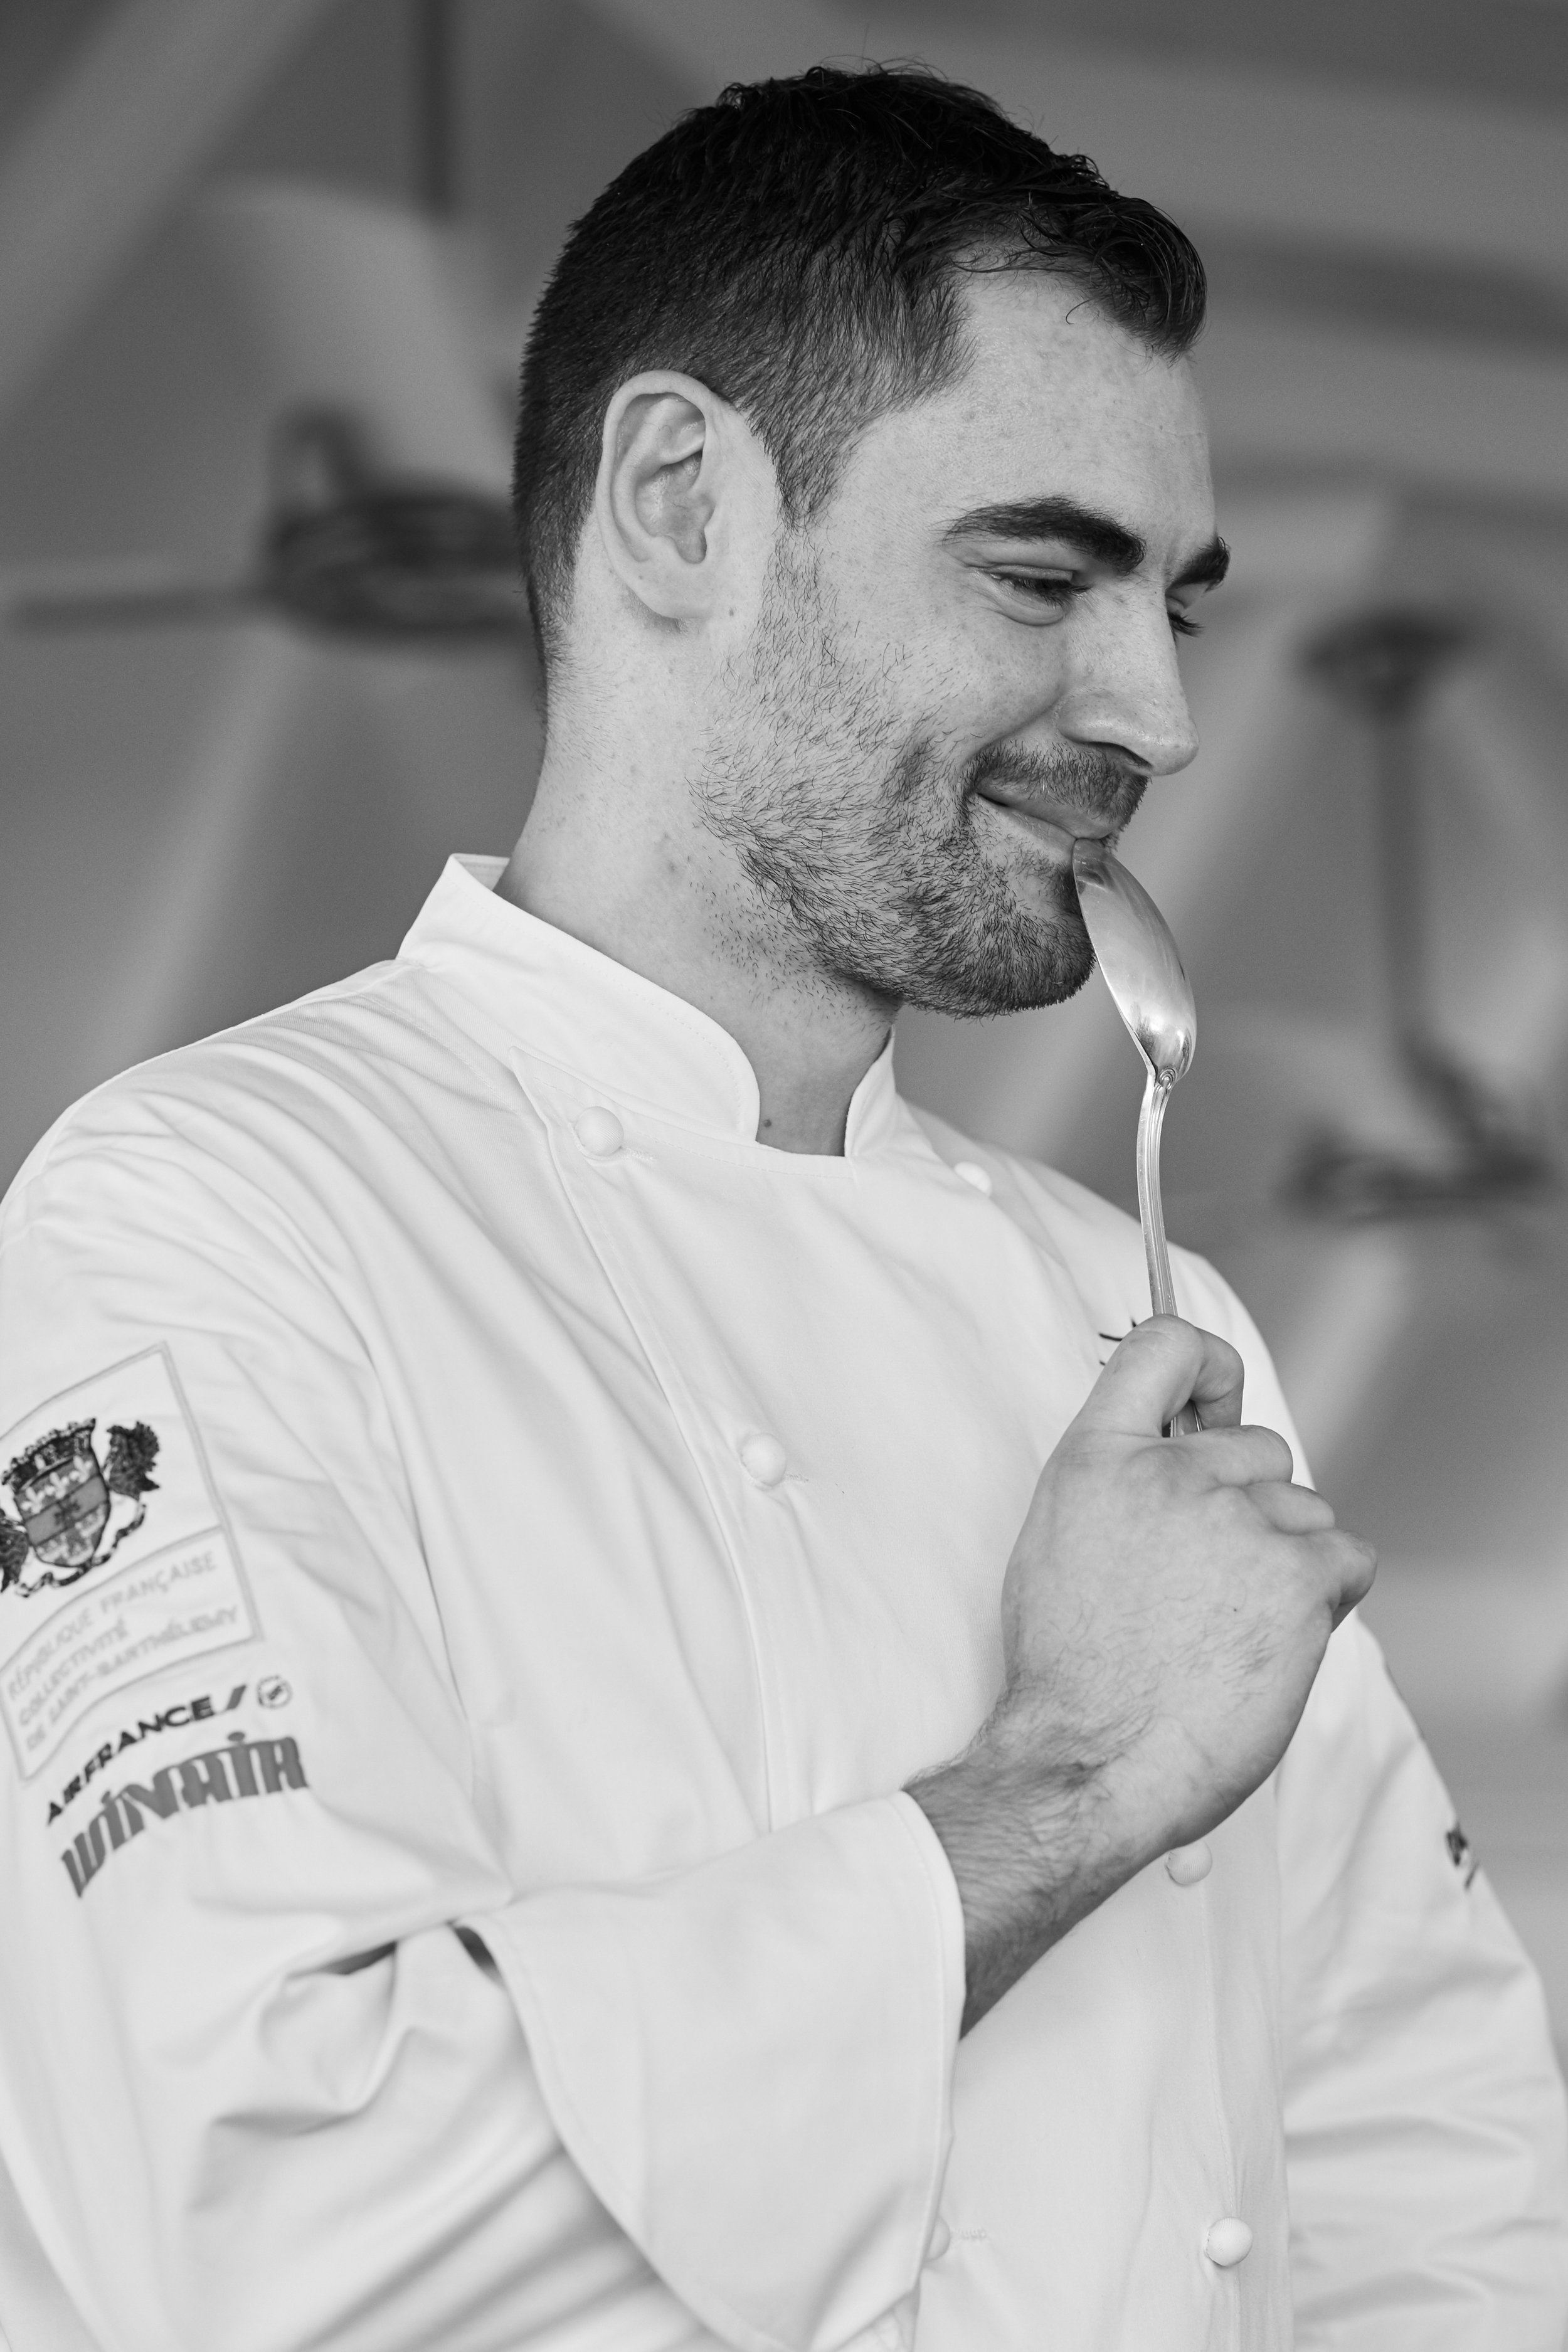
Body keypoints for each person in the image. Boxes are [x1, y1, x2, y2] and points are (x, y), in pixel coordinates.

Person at [0, 61, 1562, 2352]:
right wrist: (1081, 1773)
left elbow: (1435, 2185)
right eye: (1043, 573)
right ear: (674, 503)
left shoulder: (1132, 1313)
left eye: (1178, 607)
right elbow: (271, 2245)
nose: (1156, 708)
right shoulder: (205, 1228)